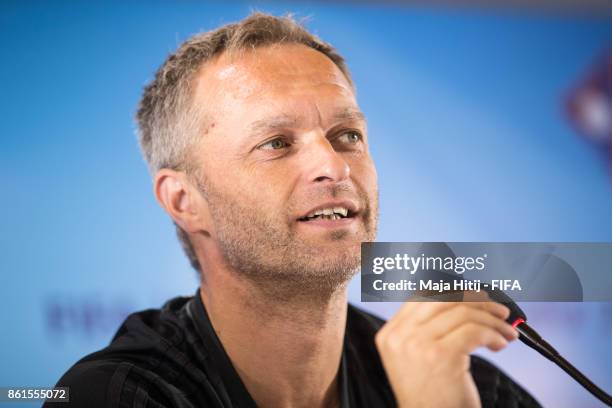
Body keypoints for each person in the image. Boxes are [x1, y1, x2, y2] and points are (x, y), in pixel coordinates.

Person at [46, 12, 541, 408]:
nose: (334, 166)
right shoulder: (116, 394)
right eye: (277, 143)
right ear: (184, 201)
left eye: (347, 135)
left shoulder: (462, 384)